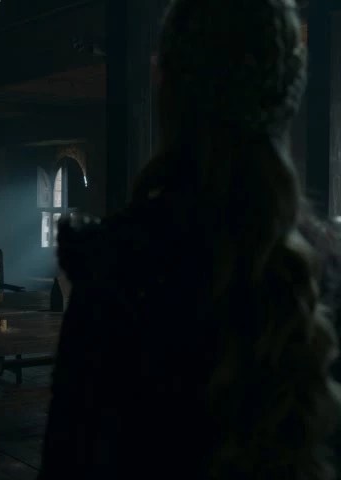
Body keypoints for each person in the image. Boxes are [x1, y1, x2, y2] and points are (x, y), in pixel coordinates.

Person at [40, 1, 340, 479]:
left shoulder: (123, 266)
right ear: (287, 98)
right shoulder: (324, 274)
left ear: (167, 90)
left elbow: (70, 463)